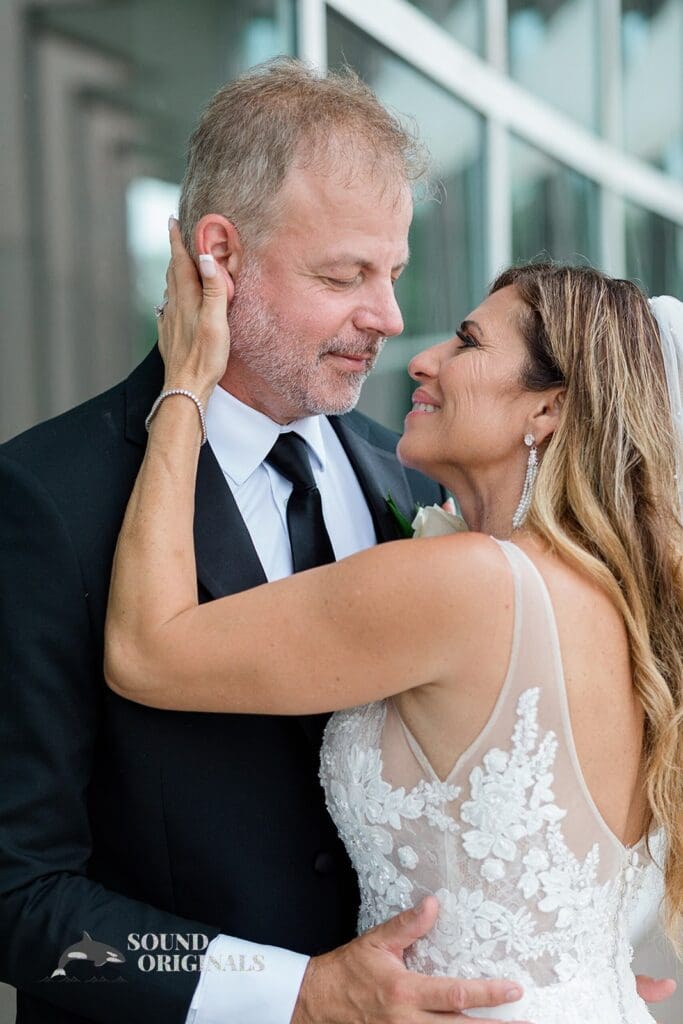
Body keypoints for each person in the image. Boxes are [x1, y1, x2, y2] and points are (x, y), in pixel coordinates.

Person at [0, 58, 542, 1024]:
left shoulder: (417, 486)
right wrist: (295, 995)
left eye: (394, 274)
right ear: (220, 256)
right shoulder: (47, 499)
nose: (386, 318)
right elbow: (19, 905)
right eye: (345, 276)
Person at [104, 218, 683, 1022]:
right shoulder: (625, 601)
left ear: (547, 409)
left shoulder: (469, 583)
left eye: (467, 343)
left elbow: (146, 651)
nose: (422, 357)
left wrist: (185, 384)